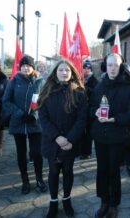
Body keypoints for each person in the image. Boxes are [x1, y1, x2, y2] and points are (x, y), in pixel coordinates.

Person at [90, 53, 130, 218]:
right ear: (106, 66)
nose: (113, 68)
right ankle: (104, 201)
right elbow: (90, 108)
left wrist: (116, 119)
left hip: (117, 136)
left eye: (116, 65)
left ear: (120, 67)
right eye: (110, 65)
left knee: (113, 170)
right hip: (100, 136)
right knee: (102, 170)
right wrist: (95, 111)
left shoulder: (129, 86)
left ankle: (114, 204)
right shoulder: (99, 86)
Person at [38, 60, 88, 218]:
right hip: (52, 141)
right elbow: (43, 117)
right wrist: (56, 137)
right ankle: (53, 202)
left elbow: (82, 119)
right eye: (61, 70)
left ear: (72, 73)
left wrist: (70, 139)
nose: (64, 73)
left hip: (70, 142)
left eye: (67, 70)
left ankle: (67, 200)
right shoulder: (46, 91)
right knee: (53, 171)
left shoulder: (79, 92)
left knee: (68, 171)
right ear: (55, 72)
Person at [2, 55, 47, 194]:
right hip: (18, 122)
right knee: (21, 154)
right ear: (19, 67)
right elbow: (6, 101)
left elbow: (45, 102)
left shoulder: (41, 82)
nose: (26, 68)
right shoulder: (13, 81)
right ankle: (25, 181)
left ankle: (39, 179)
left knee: (36, 153)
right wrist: (20, 114)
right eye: (23, 65)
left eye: (28, 65)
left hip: (35, 123)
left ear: (33, 67)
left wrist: (34, 115)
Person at [78, 60, 98, 160]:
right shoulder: (79, 79)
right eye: (84, 68)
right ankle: (80, 150)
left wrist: (85, 87)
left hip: (89, 109)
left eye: (88, 68)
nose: (86, 70)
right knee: (80, 130)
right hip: (80, 109)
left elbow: (95, 93)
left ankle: (87, 152)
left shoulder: (94, 80)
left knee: (88, 133)